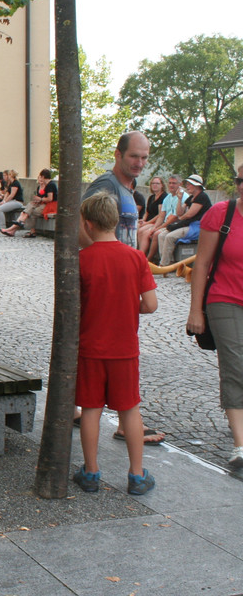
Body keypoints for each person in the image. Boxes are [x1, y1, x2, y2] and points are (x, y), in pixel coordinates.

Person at [73, 193, 157, 496]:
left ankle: (91, 472)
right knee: (130, 410)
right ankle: (136, 475)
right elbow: (151, 304)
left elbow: (74, 307)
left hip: (91, 348)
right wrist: (127, 306)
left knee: (91, 409)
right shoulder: (136, 257)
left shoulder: (81, 259)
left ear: (88, 223)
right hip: (124, 349)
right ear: (116, 221)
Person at [186, 168, 243, 471]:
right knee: (235, 366)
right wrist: (196, 310)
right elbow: (202, 264)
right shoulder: (221, 213)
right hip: (225, 299)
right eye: (241, 181)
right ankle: (240, 446)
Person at [81, 131, 150, 249]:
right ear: (118, 155)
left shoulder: (126, 188)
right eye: (133, 156)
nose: (139, 163)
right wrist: (104, 256)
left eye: (144, 158)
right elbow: (77, 224)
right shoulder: (107, 184)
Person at [157, 174, 211, 267]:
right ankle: (169, 262)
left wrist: (179, 220)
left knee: (170, 236)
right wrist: (179, 199)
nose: (187, 186)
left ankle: (163, 265)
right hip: (188, 225)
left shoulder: (202, 197)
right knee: (161, 235)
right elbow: (180, 213)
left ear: (196, 186)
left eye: (189, 184)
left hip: (197, 227)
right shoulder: (191, 197)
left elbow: (189, 214)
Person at [1, 169, 56, 238]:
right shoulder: (44, 185)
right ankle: (15, 227)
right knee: (28, 208)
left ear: (43, 176)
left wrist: (40, 199)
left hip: (51, 206)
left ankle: (13, 229)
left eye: (40, 177)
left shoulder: (50, 185)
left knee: (31, 212)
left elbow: (50, 199)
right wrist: (38, 199)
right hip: (44, 203)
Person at [135, 176, 168, 259]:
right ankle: (136, 251)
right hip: (148, 221)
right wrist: (143, 220)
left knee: (143, 231)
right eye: (153, 183)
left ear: (162, 185)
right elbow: (147, 212)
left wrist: (147, 223)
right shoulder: (151, 197)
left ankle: (142, 255)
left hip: (156, 222)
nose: (154, 185)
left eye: (157, 183)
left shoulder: (164, 197)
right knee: (137, 226)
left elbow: (160, 215)